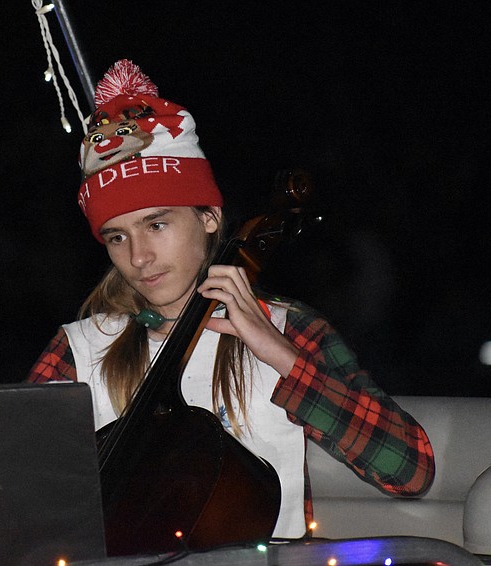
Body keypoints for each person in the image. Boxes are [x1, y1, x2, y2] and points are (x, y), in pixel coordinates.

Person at [27, 59, 434, 544]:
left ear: (209, 218)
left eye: (157, 224)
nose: (138, 257)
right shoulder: (78, 348)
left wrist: (282, 356)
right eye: (117, 237)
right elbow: (8, 492)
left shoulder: (291, 328)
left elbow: (409, 470)